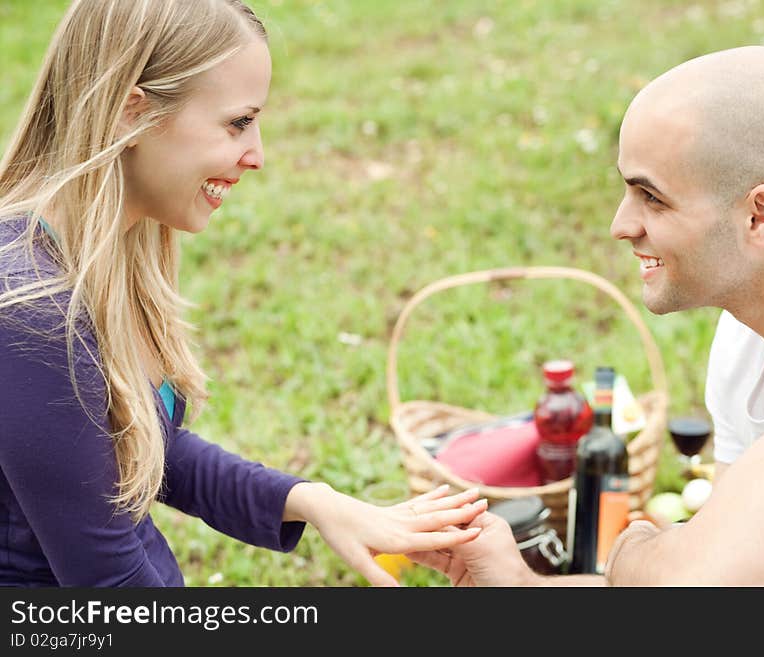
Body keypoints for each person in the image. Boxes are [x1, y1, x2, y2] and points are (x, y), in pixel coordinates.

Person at [0, 0, 489, 588]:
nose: (257, 154)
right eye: (237, 123)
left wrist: (316, 501)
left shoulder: (95, 251)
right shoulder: (31, 310)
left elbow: (141, 453)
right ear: (132, 115)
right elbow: (110, 591)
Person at [409, 45, 764, 586]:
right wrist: (525, 587)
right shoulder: (746, 340)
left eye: (651, 197)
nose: (621, 224)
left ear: (759, 215)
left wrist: (631, 549)